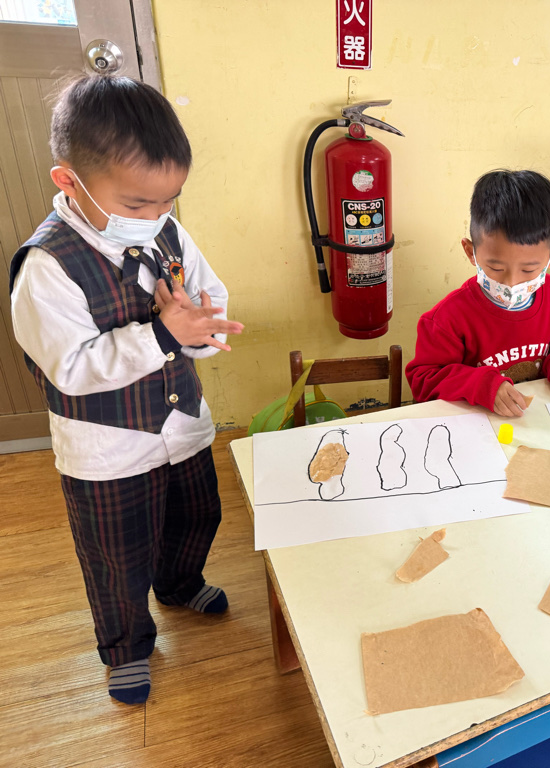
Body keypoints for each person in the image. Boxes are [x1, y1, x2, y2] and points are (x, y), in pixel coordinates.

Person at [9, 74, 244, 705]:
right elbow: (71, 368)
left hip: (182, 425)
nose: (155, 218)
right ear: (70, 181)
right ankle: (127, 647)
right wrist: (165, 334)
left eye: (168, 202)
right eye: (138, 204)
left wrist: (201, 330)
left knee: (198, 514)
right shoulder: (47, 267)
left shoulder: (164, 230)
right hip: (107, 451)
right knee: (117, 556)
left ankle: (179, 583)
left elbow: (207, 295)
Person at [406, 169, 550, 417]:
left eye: (529, 269)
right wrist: (482, 386)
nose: (511, 283)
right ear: (471, 252)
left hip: (537, 419)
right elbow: (424, 379)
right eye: (496, 267)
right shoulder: (446, 319)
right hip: (478, 425)